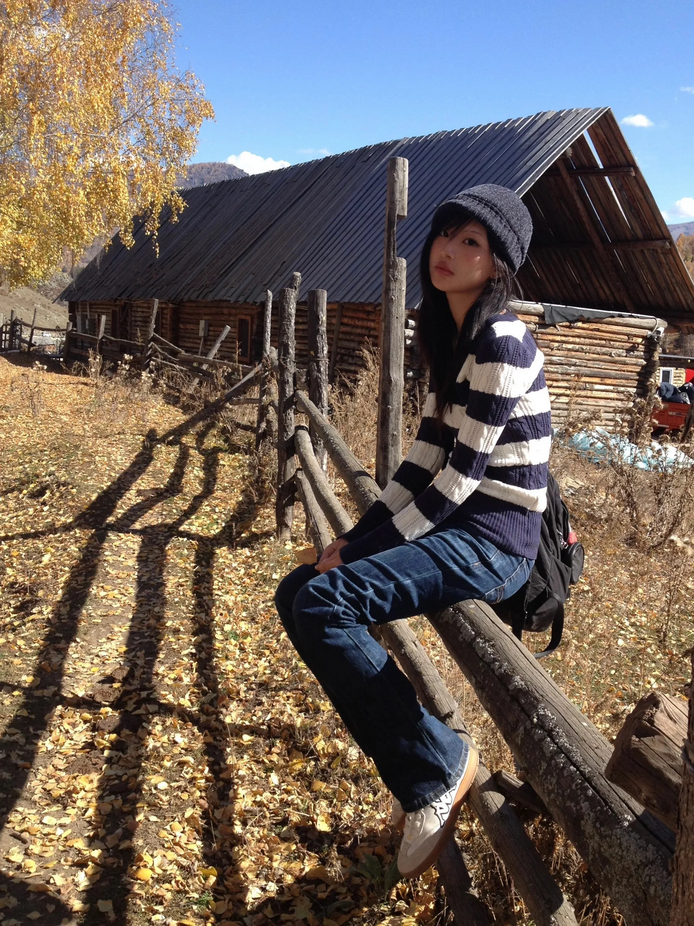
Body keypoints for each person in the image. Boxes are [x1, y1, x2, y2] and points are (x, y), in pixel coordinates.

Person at [275, 184, 550, 878]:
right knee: (296, 590)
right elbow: (420, 464)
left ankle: (436, 770)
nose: (448, 252)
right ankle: (423, 760)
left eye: (471, 244)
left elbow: (457, 480)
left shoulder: (503, 340)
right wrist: (351, 539)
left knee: (323, 600)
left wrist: (364, 549)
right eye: (445, 235)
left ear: (497, 266)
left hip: (497, 537)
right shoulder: (450, 339)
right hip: (458, 521)